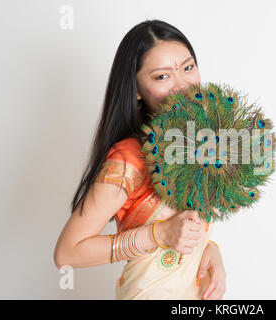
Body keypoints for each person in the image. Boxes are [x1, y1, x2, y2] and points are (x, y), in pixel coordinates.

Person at [53, 19, 226, 300]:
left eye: (187, 67)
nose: (183, 85)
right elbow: (67, 253)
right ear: (135, 90)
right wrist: (158, 234)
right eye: (162, 76)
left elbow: (189, 227)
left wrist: (210, 248)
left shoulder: (199, 147)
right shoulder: (129, 159)